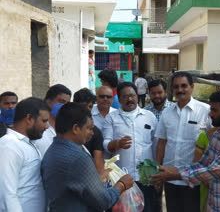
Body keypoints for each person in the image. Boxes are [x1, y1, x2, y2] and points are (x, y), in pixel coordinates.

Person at [152, 90, 220, 212]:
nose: (210, 114)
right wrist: (168, 170)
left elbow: (212, 171)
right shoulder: (217, 135)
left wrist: (172, 175)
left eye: (215, 110)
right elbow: (201, 165)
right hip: (214, 205)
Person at [41, 103, 134, 212]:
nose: (92, 133)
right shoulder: (78, 158)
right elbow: (104, 201)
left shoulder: (51, 151)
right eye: (89, 128)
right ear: (76, 128)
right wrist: (122, 184)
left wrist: (96, 180)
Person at [154, 71, 212, 212]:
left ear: (192, 87)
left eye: (184, 86)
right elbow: (162, 143)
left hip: (193, 180)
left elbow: (212, 142)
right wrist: (157, 170)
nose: (180, 90)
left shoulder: (205, 111)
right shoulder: (167, 113)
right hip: (170, 179)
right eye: (176, 87)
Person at [102, 82, 158, 212]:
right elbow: (105, 143)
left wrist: (156, 172)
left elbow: (155, 146)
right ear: (119, 99)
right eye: (125, 96)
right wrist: (116, 144)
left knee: (147, 208)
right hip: (121, 179)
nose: (130, 99)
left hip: (145, 178)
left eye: (132, 95)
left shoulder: (149, 117)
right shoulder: (111, 118)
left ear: (137, 96)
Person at [0, 97, 50, 212]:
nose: (47, 126)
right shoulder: (9, 146)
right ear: (29, 118)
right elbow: (6, 195)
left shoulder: (27, 144)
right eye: (43, 121)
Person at [33, 84, 72, 156]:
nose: (64, 106)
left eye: (67, 103)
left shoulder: (68, 127)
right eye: (61, 102)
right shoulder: (37, 126)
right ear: (48, 101)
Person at [74, 88, 105, 174]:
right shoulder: (66, 127)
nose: (87, 109)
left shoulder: (96, 132)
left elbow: (98, 160)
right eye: (84, 106)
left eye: (90, 106)